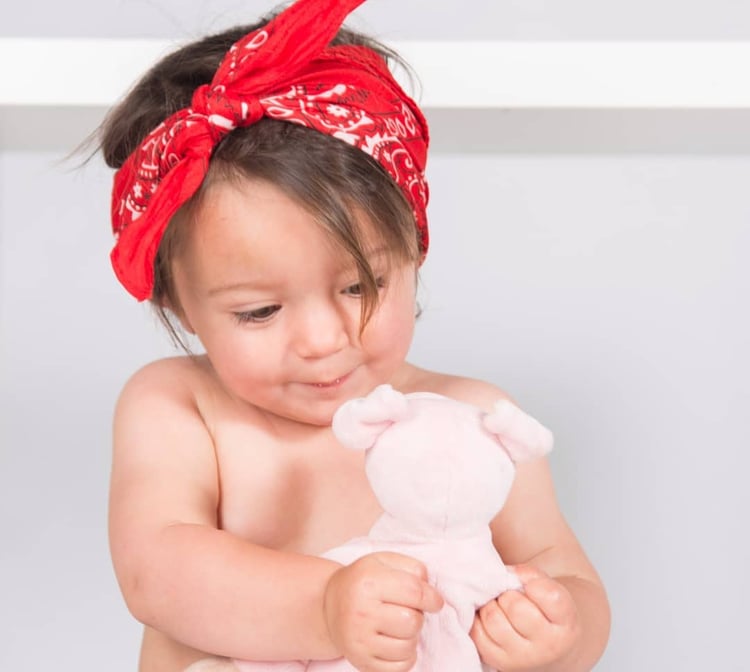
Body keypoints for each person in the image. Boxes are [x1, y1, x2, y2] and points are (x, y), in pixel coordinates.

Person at [101, 0, 611, 670]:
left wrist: (557, 633)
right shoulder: (180, 406)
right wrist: (324, 608)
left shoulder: (475, 420)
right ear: (178, 302)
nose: (322, 338)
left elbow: (565, 572)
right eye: (259, 311)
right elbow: (157, 571)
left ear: (415, 249)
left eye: (359, 288)